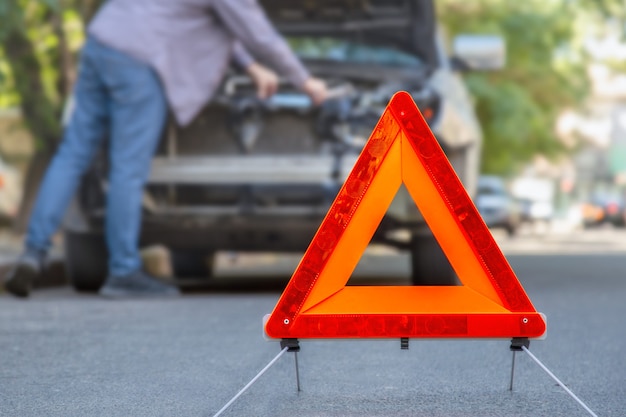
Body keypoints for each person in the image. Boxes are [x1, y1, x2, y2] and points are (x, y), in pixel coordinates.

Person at [2, 0, 328, 299]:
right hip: (138, 60)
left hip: (102, 40)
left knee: (72, 154)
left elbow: (208, 22)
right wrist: (305, 81)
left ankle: (34, 253)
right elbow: (257, 32)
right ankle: (123, 271)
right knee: (127, 169)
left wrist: (251, 67)